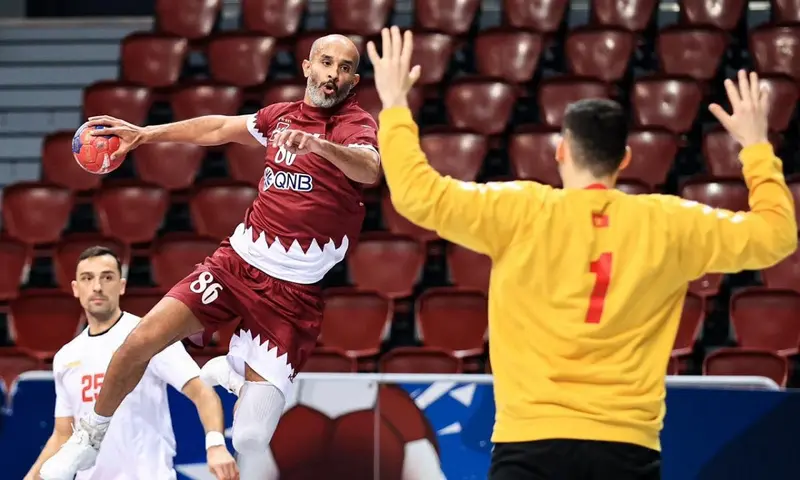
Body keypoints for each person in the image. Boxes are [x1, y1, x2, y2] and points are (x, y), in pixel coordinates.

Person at [367, 27, 797, 480]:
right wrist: (756, 147)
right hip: (626, 447)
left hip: (529, 442)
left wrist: (394, 105)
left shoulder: (520, 211)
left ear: (561, 151)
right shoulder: (672, 224)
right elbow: (777, 235)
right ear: (625, 159)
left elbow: (418, 195)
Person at [40, 34, 380, 479]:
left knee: (251, 439)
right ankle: (90, 438)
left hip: (293, 296)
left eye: (345, 68)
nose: (333, 75)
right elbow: (218, 128)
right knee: (138, 342)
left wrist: (318, 146)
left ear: (354, 79)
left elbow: (369, 168)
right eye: (326, 63)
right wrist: (145, 135)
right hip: (236, 264)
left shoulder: (354, 125)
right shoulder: (279, 117)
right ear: (307, 67)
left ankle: (230, 370)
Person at [30, 247, 238, 480]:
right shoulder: (65, 357)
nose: (97, 286)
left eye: (107, 277)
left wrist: (216, 444)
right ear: (76, 289)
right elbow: (62, 434)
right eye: (87, 278)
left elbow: (202, 392)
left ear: (121, 285)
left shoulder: (149, 337)